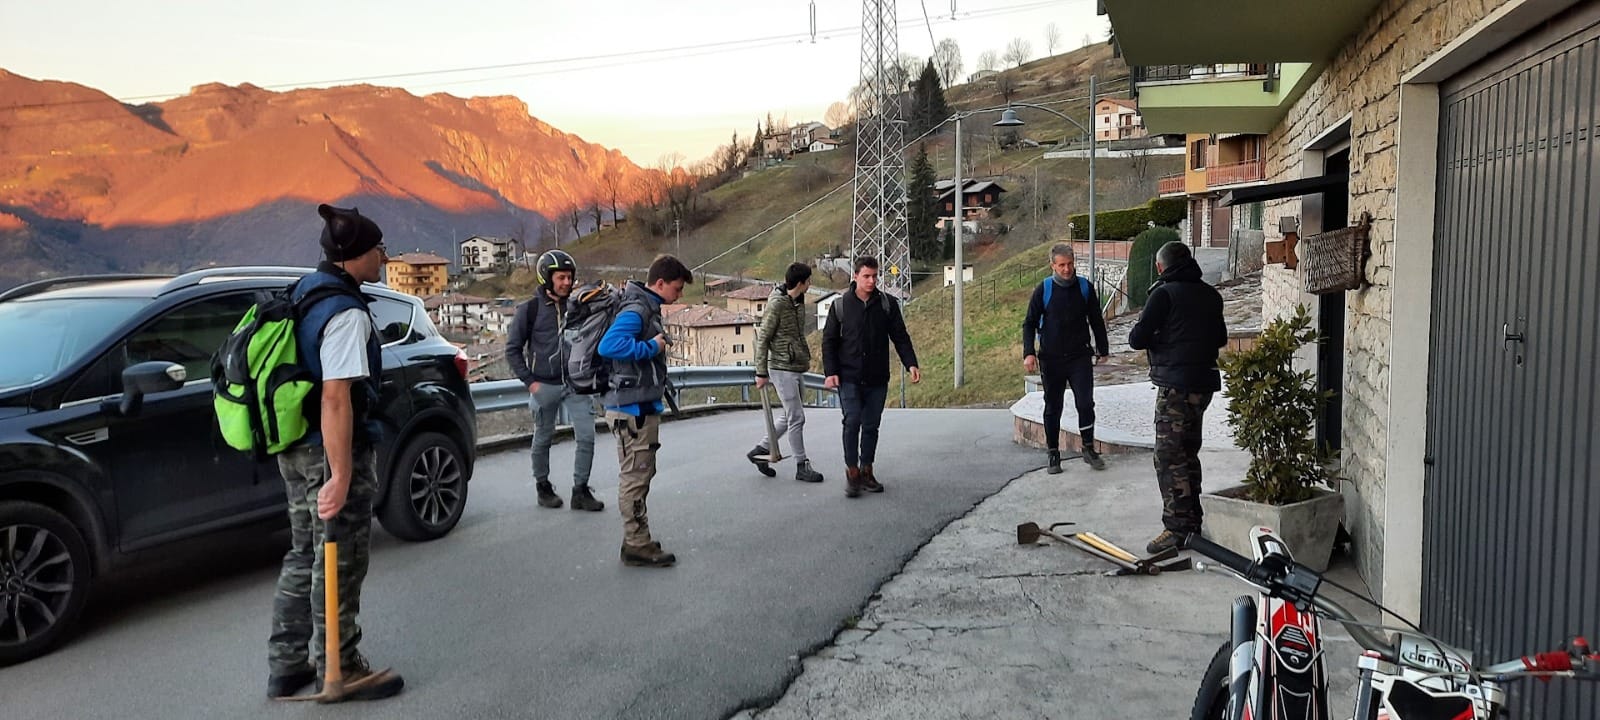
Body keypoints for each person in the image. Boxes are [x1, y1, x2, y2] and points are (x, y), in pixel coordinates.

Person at [267, 204, 403, 700]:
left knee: (305, 552)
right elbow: (335, 396)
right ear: (355, 255)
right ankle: (339, 666)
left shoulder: (306, 290)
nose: (384, 256)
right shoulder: (344, 312)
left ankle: (286, 665)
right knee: (340, 556)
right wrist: (341, 474)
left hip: (295, 447)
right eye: (378, 248)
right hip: (328, 449)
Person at [1127, 240, 1228, 555]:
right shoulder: (1211, 295)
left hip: (1175, 387)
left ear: (1161, 267)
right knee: (1188, 453)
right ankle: (1192, 524)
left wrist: (1163, 339)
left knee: (1169, 457)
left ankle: (1177, 529)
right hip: (1203, 386)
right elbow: (1221, 337)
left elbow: (1136, 338)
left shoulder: (1164, 294)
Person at [598, 254, 692, 567]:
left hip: (637, 405)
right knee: (635, 477)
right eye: (677, 288)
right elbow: (608, 346)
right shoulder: (637, 310)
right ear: (660, 283)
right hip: (631, 409)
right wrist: (652, 347)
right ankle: (636, 544)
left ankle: (638, 539)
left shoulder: (645, 307)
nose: (679, 294)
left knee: (641, 473)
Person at [506, 249, 604, 512]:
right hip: (544, 384)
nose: (567, 282)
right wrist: (531, 383)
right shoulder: (529, 310)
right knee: (543, 437)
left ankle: (580, 491)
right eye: (561, 277)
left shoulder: (577, 307)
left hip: (575, 384)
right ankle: (543, 487)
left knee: (587, 436)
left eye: (569, 277)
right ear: (546, 278)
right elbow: (512, 350)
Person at [821, 256, 920, 499]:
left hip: (877, 377)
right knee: (852, 420)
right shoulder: (840, 306)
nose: (872, 281)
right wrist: (831, 372)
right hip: (849, 376)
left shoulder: (887, 304)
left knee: (871, 425)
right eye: (866, 276)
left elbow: (900, 336)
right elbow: (829, 341)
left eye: (875, 276)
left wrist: (911, 363)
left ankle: (867, 470)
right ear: (855, 276)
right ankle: (852, 472)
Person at [1021, 243, 1110, 474]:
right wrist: (1029, 352)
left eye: (1070, 264)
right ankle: (1053, 453)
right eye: (1061, 265)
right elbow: (1029, 323)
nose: (1067, 269)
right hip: (1051, 359)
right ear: (1053, 265)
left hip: (1079, 356)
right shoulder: (1044, 289)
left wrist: (1103, 349)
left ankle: (1088, 448)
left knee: (1085, 403)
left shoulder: (1085, 287)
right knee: (1053, 406)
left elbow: (1096, 320)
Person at [747, 263, 824, 483]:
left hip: (795, 365)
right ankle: (802, 465)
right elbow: (763, 339)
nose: (810, 284)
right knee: (797, 417)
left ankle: (761, 450)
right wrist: (761, 373)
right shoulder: (778, 304)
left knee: (789, 415)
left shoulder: (798, 301)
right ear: (801, 283)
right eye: (808, 280)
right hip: (781, 367)